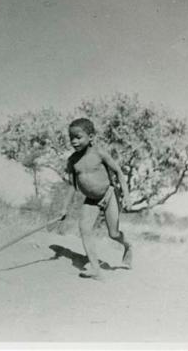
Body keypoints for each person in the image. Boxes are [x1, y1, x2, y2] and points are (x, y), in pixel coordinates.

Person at [60, 118, 133, 280]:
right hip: (91, 200)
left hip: (109, 196)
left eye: (78, 137)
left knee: (113, 234)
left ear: (91, 137)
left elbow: (119, 173)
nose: (74, 141)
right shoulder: (72, 161)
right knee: (84, 229)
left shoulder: (99, 153)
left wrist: (127, 197)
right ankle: (94, 267)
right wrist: (64, 208)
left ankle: (128, 246)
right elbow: (72, 186)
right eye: (71, 137)